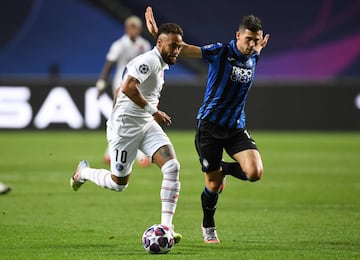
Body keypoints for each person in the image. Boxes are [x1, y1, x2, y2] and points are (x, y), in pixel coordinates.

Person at [145, 7, 269, 243]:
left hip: (235, 128)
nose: (251, 44)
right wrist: (156, 35)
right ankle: (208, 224)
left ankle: (221, 168)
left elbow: (256, 51)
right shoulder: (220, 51)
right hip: (209, 128)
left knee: (255, 173)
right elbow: (182, 50)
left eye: (255, 40)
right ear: (238, 36)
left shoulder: (254, 55)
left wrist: (259, 47)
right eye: (248, 39)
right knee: (212, 184)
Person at [71, 22, 185, 243]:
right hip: (126, 130)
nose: (177, 51)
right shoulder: (149, 61)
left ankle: (166, 229)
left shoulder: (160, 61)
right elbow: (127, 87)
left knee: (172, 167)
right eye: (173, 46)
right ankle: (82, 173)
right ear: (160, 43)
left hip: (145, 124)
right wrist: (151, 111)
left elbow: (118, 90)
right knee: (118, 184)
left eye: (179, 47)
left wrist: (134, 112)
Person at [96, 15, 152, 167]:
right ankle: (136, 154)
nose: (133, 30)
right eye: (131, 27)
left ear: (139, 29)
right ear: (127, 29)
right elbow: (109, 65)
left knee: (134, 118)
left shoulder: (144, 45)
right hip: (121, 86)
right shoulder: (119, 45)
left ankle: (111, 153)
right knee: (123, 118)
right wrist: (101, 83)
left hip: (138, 87)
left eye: (136, 27)